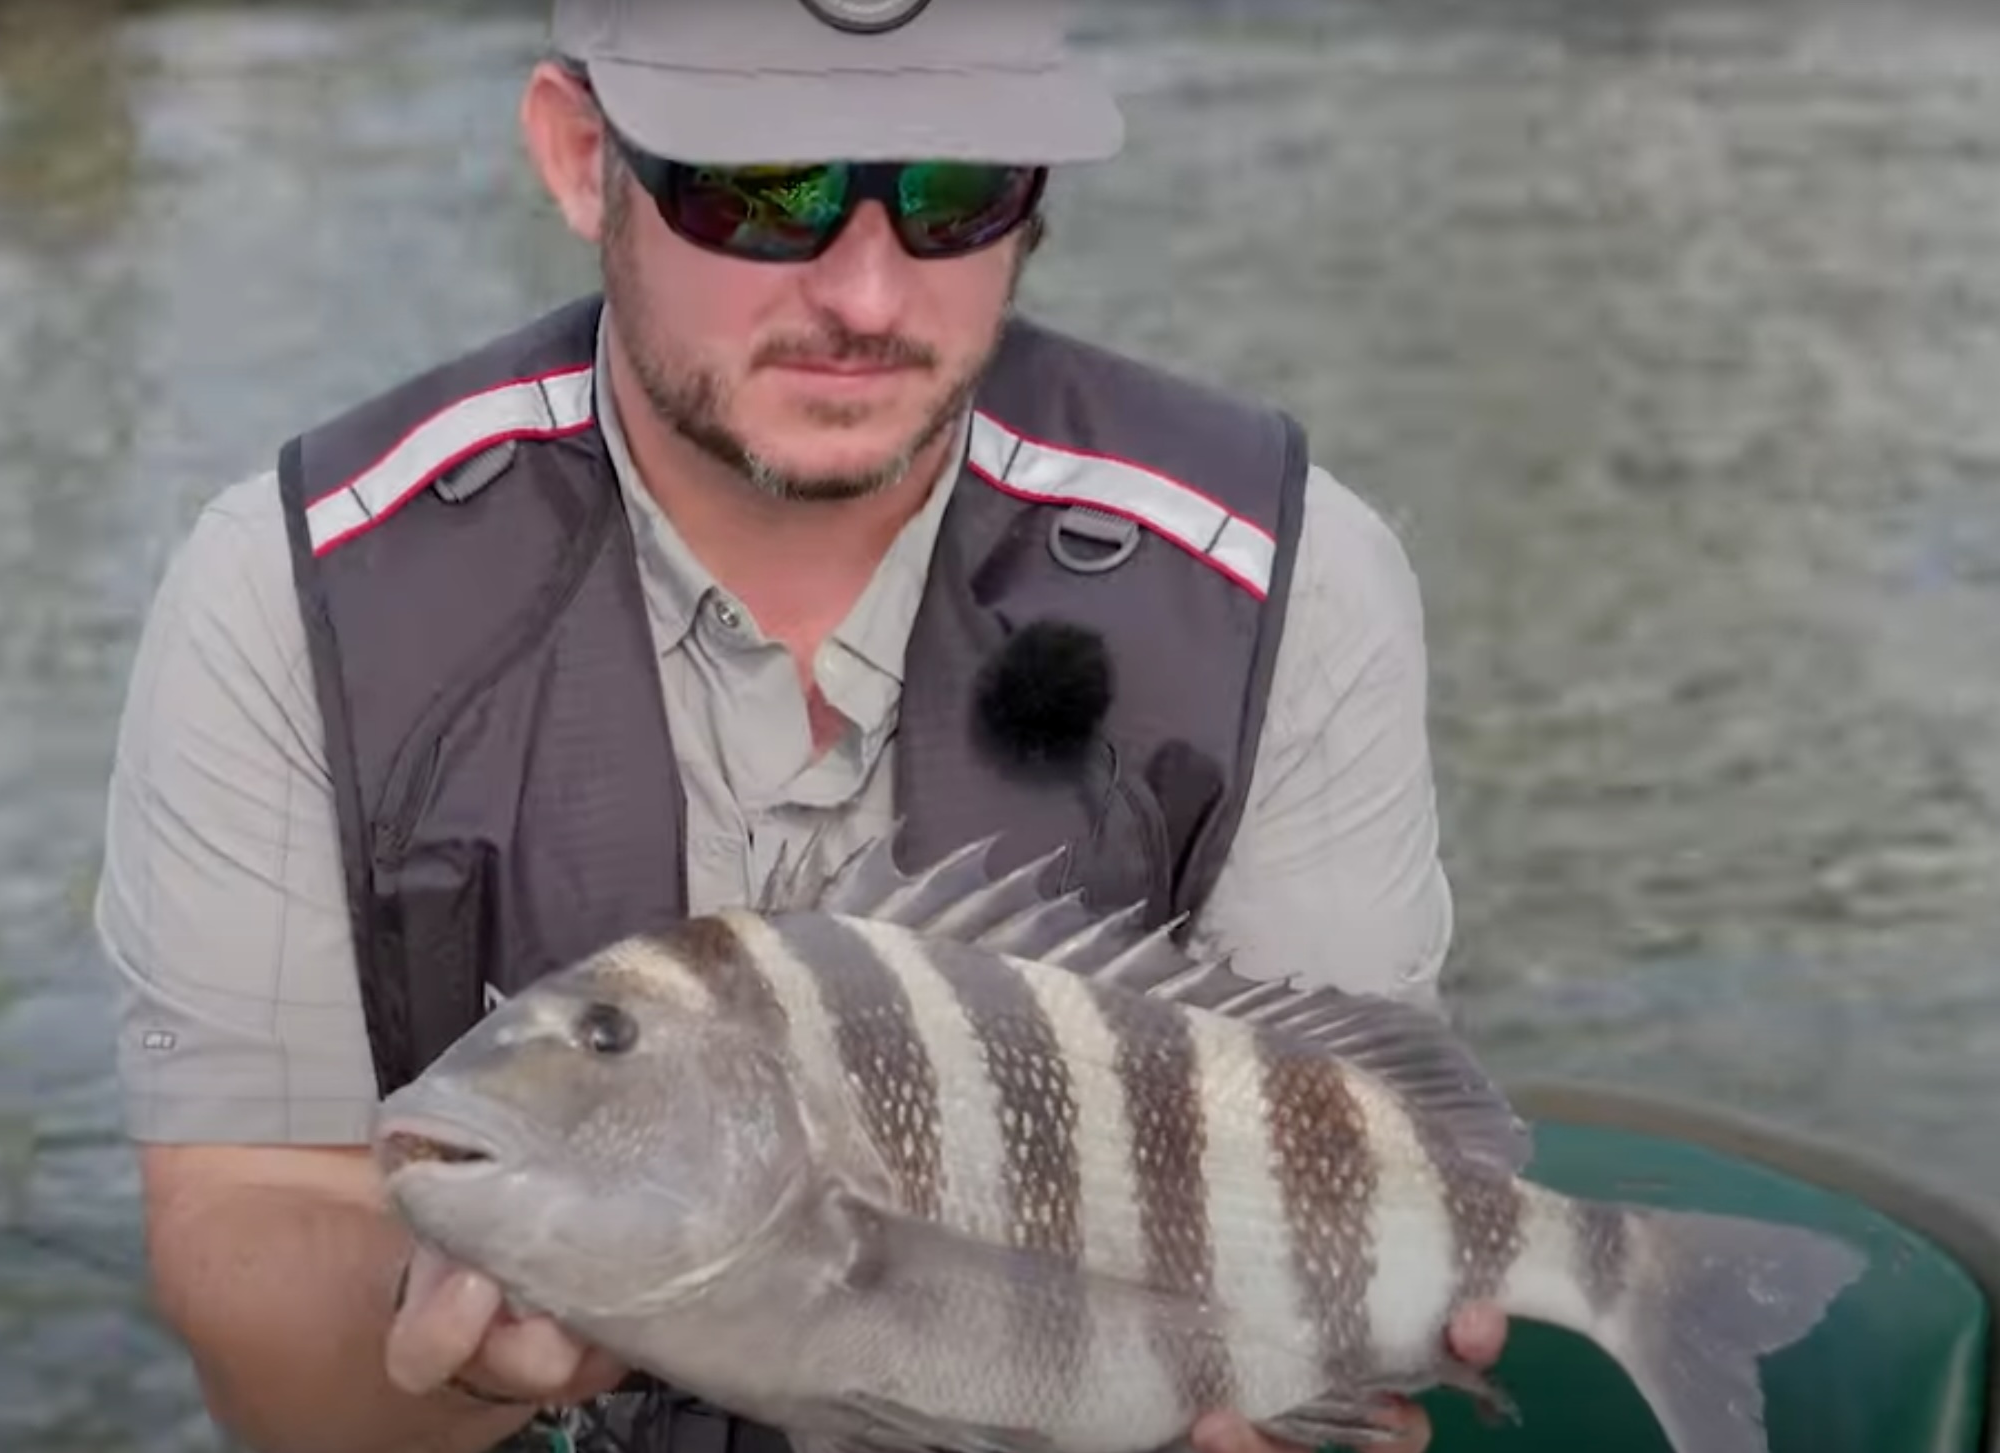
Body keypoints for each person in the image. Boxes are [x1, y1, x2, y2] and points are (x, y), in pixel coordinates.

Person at [98, 3, 1506, 1452]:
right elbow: (247, 1242)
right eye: (761, 192)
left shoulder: (1285, 575)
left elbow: (1339, 1159)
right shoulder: (291, 589)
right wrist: (448, 1319)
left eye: (958, 190)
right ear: (584, 159)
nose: (868, 297)